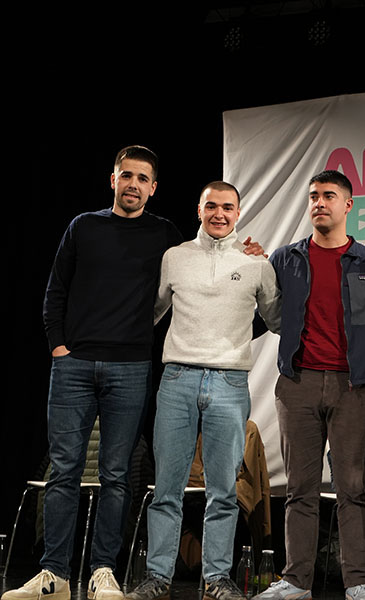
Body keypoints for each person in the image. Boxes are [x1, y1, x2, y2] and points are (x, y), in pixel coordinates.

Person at [2, 146, 182, 600]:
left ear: (153, 188)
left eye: (142, 178)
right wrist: (59, 348)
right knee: (64, 470)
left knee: (117, 475)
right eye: (127, 175)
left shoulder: (164, 234)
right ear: (113, 179)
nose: (134, 184)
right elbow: (55, 292)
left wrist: (244, 250)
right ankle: (54, 575)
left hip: (131, 367)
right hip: (74, 365)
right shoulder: (83, 226)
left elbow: (198, 271)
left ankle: (104, 571)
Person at [124, 181, 281, 600]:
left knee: (224, 492)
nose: (219, 214)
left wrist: (269, 263)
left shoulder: (256, 263)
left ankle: (217, 578)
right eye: (211, 206)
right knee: (167, 489)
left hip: (229, 381)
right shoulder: (175, 257)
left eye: (227, 207)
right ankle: (158, 576)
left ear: (238, 213)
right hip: (177, 379)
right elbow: (151, 313)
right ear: (199, 210)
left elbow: (278, 318)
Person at [255, 170, 365, 600]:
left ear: (347, 205)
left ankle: (357, 582)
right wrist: (246, 266)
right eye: (314, 195)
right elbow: (259, 317)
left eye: (329, 195)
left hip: (353, 387)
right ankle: (296, 580)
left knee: (353, 488)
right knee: (300, 488)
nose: (319, 202)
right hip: (297, 384)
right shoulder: (286, 259)